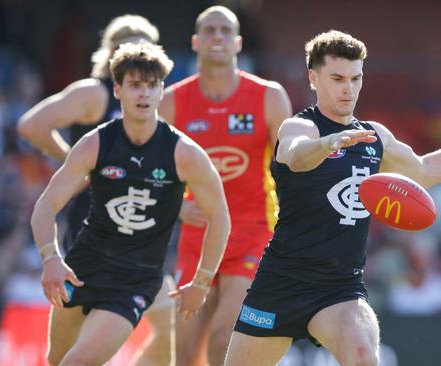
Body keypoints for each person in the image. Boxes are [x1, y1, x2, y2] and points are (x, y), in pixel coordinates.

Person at [224, 30, 441, 366]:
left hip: (339, 288)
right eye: (338, 78)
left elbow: (426, 170)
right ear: (314, 78)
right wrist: (330, 143)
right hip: (281, 281)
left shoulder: (374, 137)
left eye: (355, 78)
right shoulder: (300, 127)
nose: (348, 87)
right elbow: (295, 155)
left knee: (363, 355)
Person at [30, 42, 230, 366]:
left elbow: (220, 216)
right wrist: (50, 257)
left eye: (152, 86)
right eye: (135, 85)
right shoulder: (95, 143)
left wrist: (202, 280)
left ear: (162, 91)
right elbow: (45, 206)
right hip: (83, 267)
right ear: (118, 89)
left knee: (76, 362)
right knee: (57, 359)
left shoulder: (185, 154)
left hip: (135, 280)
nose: (144, 94)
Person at [17, 15, 178, 366]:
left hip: (142, 242)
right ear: (111, 53)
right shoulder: (96, 91)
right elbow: (32, 125)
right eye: (128, 46)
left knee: (171, 329)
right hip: (93, 234)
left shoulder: (155, 100)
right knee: (68, 354)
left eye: (144, 47)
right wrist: (77, 164)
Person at [158, 5, 292, 366]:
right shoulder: (170, 101)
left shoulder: (268, 96)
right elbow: (153, 173)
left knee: (223, 340)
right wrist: (175, 205)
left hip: (252, 232)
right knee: (184, 354)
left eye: (224, 31)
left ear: (238, 43)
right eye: (210, 30)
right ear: (195, 42)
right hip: (196, 236)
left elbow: (292, 166)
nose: (217, 36)